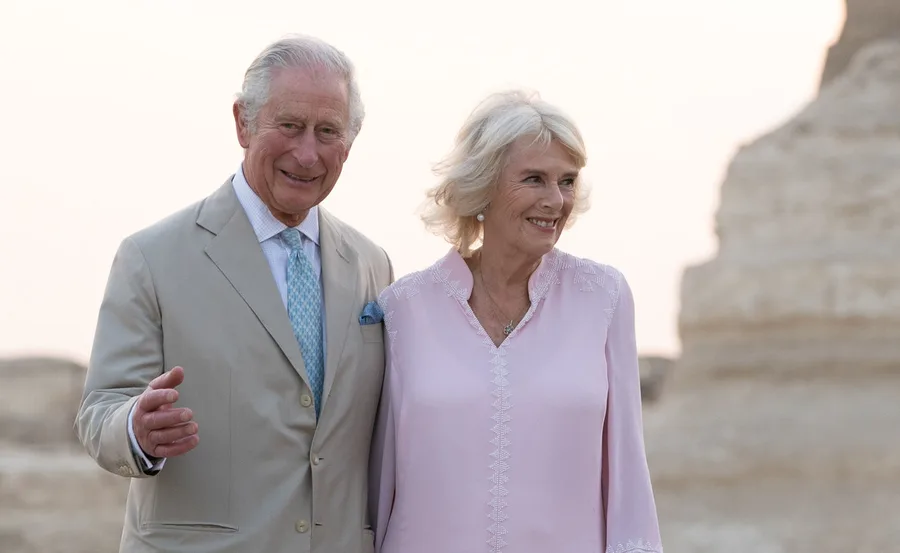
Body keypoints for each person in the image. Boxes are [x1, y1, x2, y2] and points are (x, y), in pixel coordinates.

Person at [75, 34, 393, 553]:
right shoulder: (151, 257)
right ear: (243, 123)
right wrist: (134, 427)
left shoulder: (371, 265)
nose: (307, 152)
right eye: (289, 125)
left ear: (349, 144)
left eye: (327, 131)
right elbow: (99, 410)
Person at [368, 90, 663, 553]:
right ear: (482, 186)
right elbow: (378, 483)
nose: (556, 200)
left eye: (567, 182)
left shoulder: (603, 297)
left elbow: (627, 473)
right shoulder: (404, 307)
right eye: (534, 179)